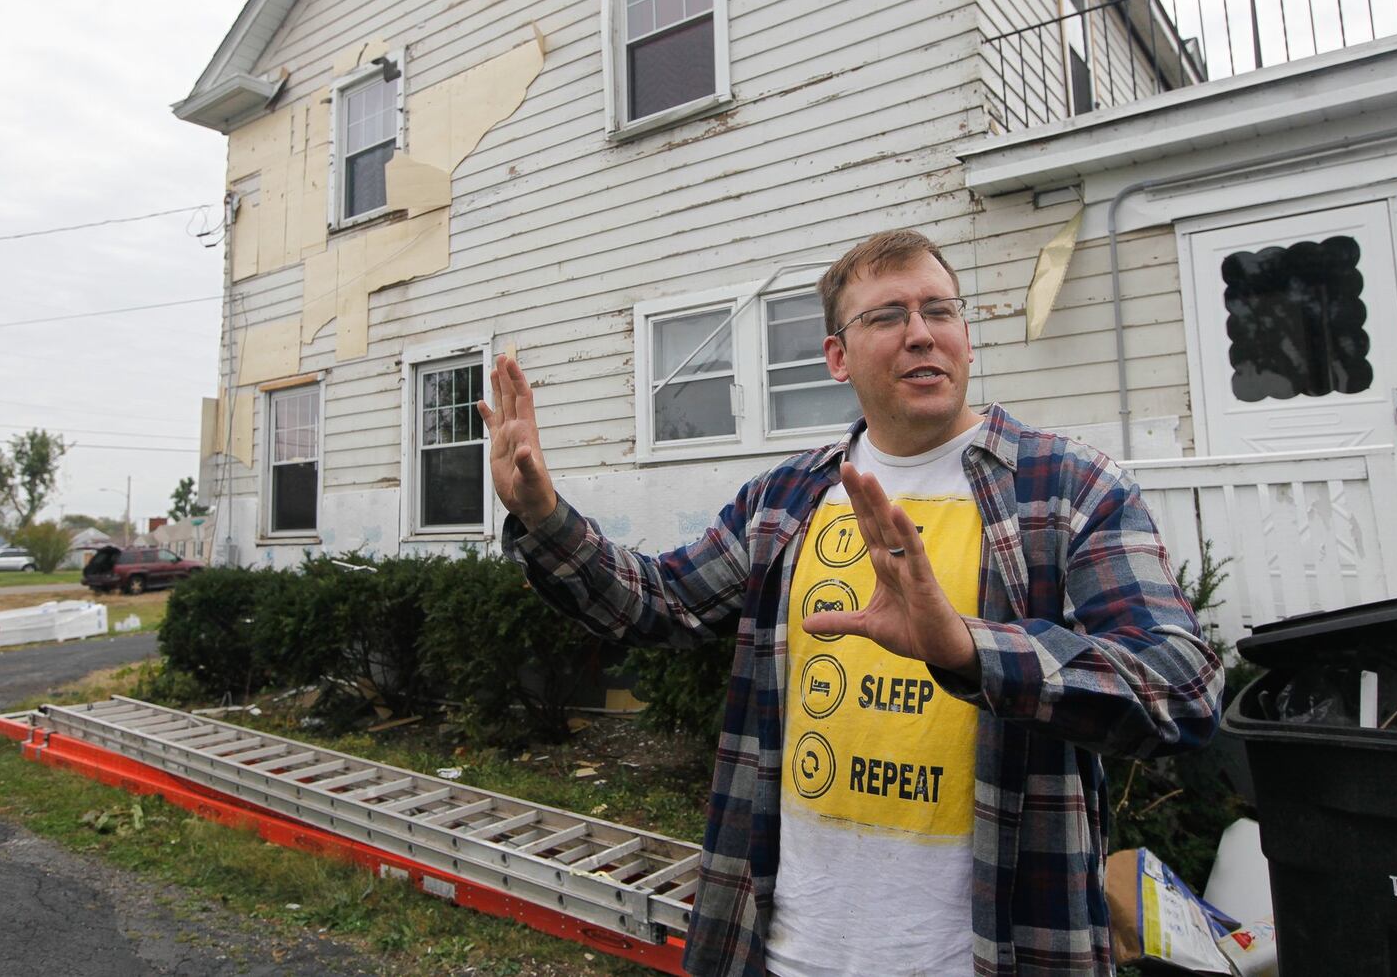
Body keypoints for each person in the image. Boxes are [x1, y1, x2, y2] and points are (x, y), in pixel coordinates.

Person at [478, 229, 1223, 977]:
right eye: (888, 316)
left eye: (940, 310)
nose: (922, 333)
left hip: (993, 953)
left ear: (966, 336)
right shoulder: (787, 500)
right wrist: (545, 516)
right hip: (790, 950)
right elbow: (658, 601)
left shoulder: (1067, 488)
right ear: (838, 357)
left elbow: (1181, 684)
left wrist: (969, 649)